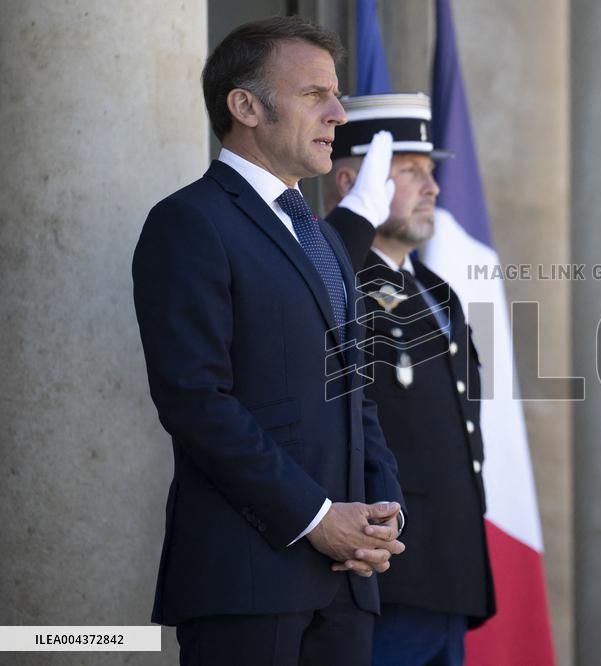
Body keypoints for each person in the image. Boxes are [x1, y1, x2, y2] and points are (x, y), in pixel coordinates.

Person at [132, 17, 407, 666]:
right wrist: (317, 518)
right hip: (248, 582)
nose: (338, 115)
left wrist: (384, 508)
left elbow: (355, 394)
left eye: (335, 95)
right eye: (315, 94)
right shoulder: (189, 222)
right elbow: (196, 401)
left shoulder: (322, 237)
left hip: (347, 587)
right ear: (246, 106)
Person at [324, 93, 495, 666]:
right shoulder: (333, 281)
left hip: (448, 572)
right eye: (409, 171)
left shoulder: (437, 292)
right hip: (383, 573)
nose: (433, 187)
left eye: (430, 171)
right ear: (352, 183)